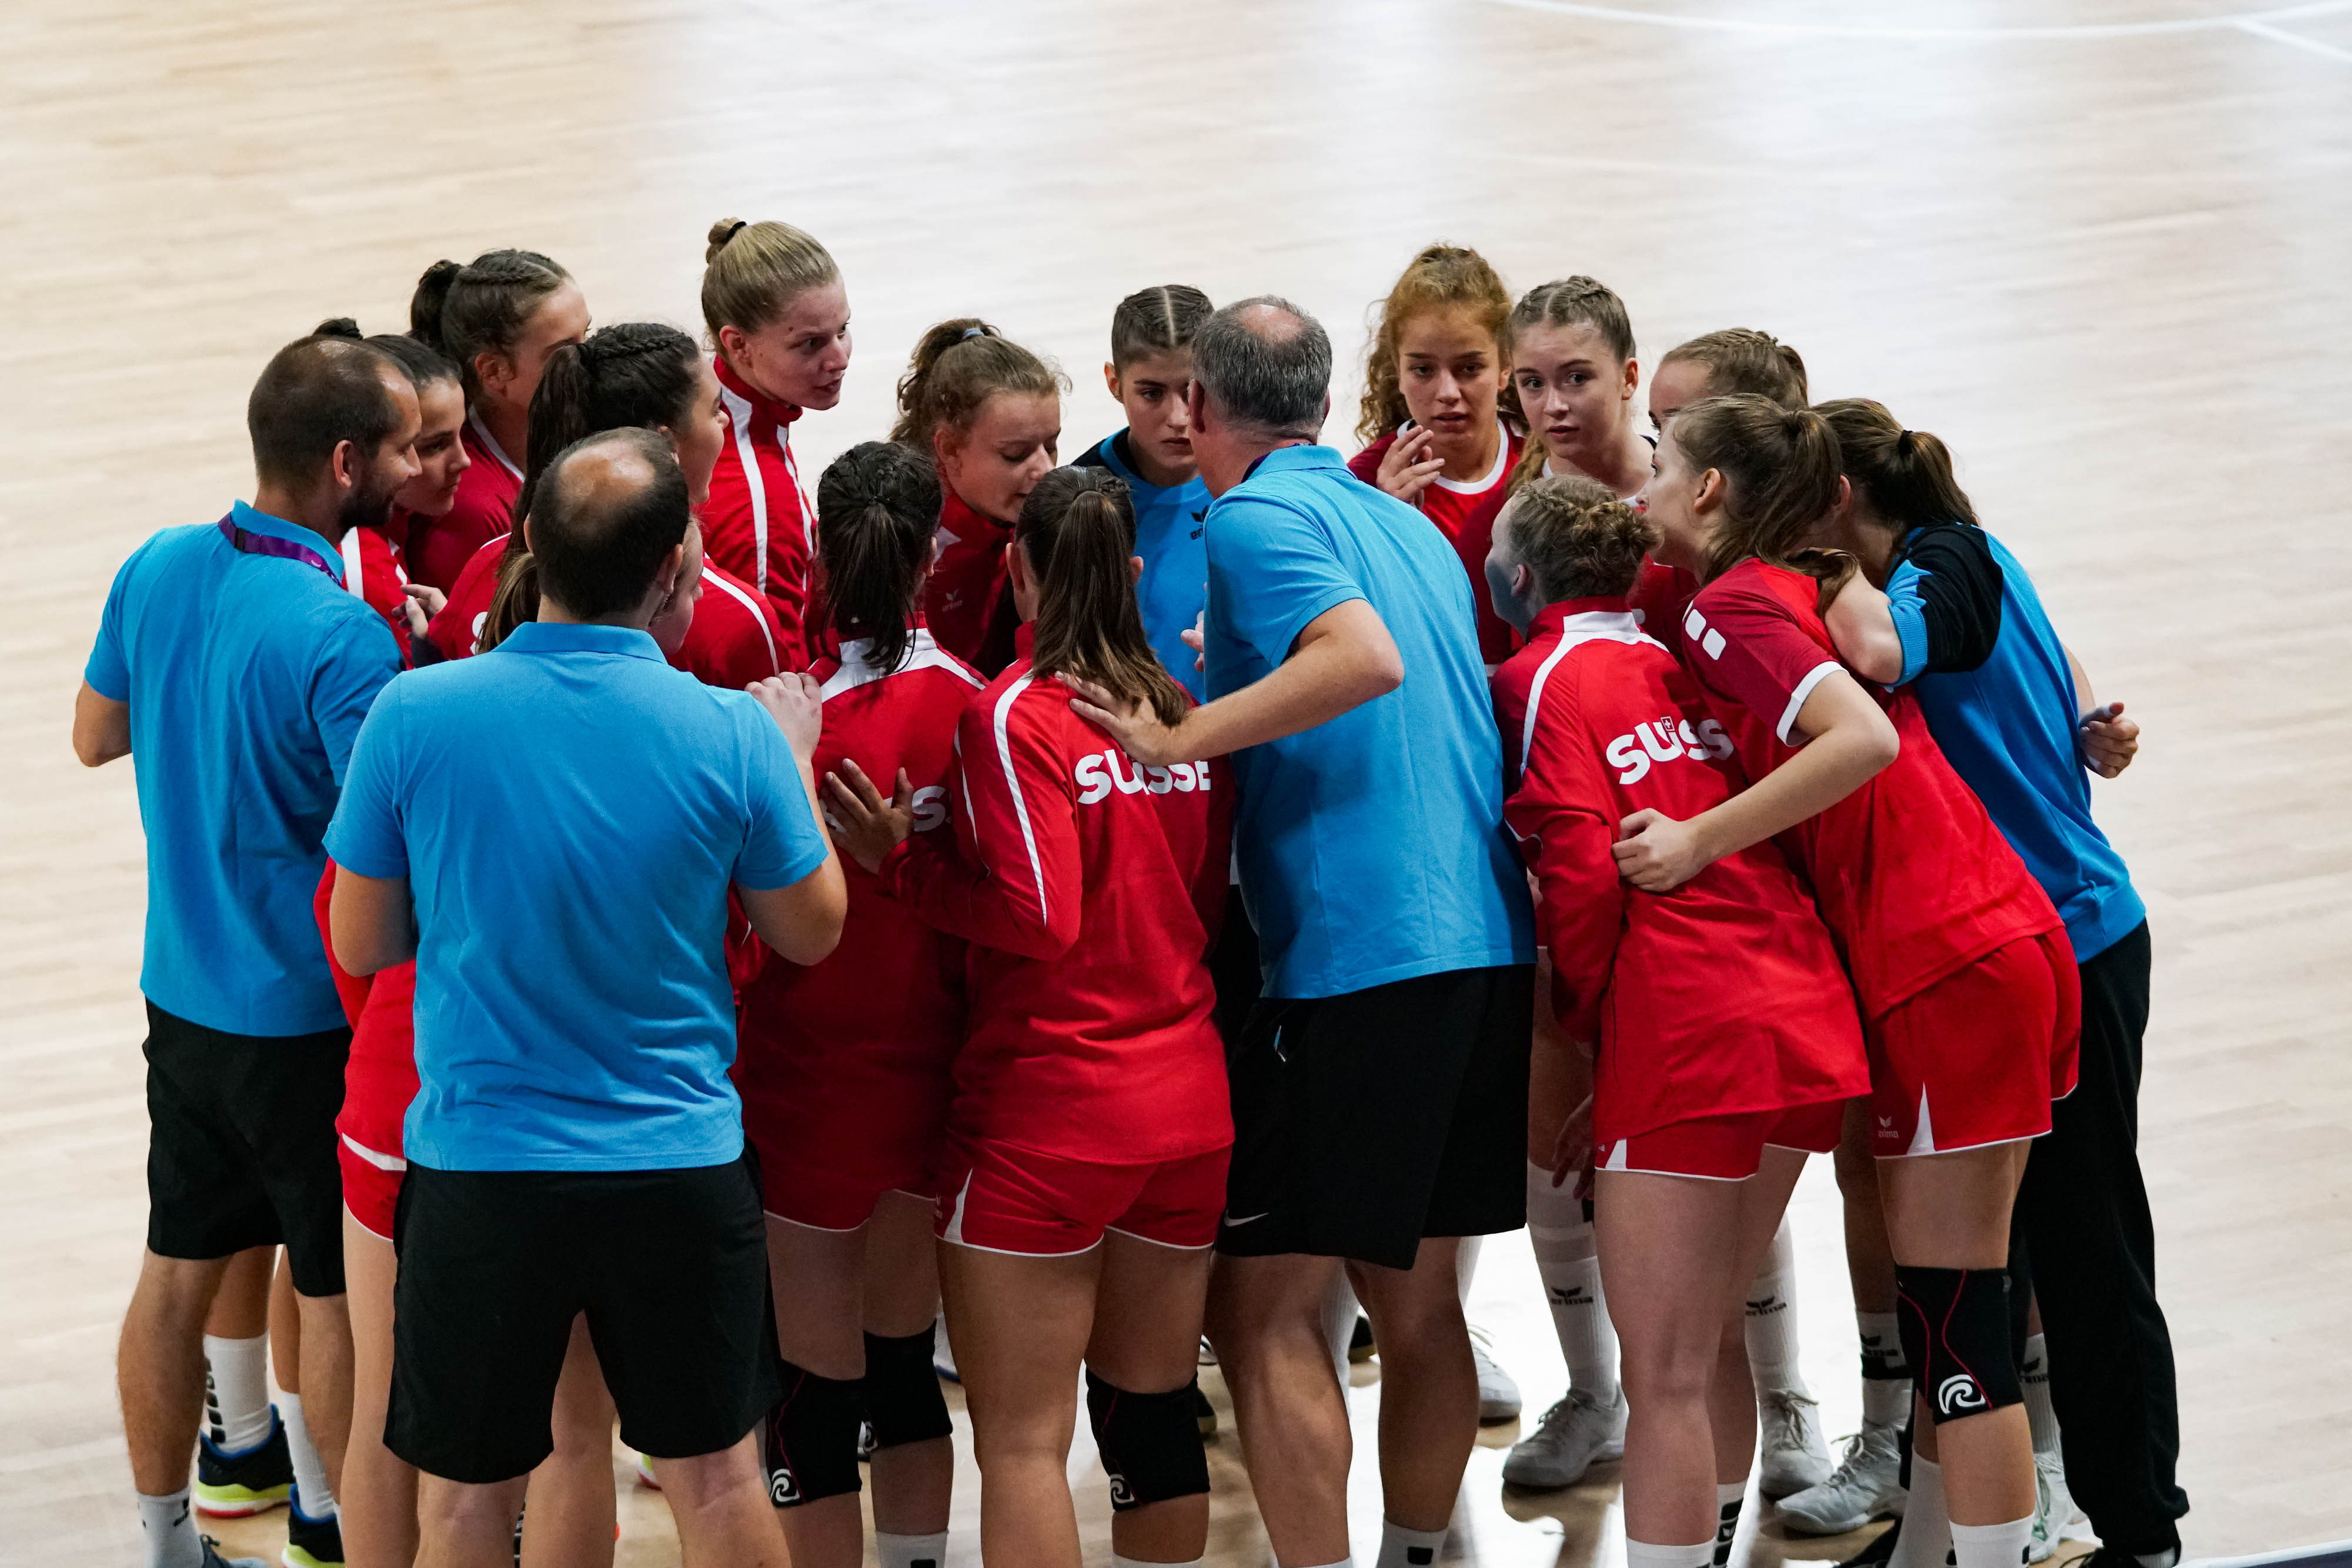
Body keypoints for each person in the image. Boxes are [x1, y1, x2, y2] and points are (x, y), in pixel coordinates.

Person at [1064, 297, 1534, 1568]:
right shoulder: (1407, 525)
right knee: (1419, 1300)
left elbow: (1361, 660)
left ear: (1204, 411)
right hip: (1487, 949)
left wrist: (1177, 732)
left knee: (1264, 1304)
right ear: (1324, 407)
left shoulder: (1255, 515)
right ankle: (1418, 1553)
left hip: (1353, 961)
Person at [323, 429, 844, 1567]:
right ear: (673, 572)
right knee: (716, 1478)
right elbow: (809, 930)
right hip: (675, 1167)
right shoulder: (730, 732)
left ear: (531, 549)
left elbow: (362, 938)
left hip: (482, 1170)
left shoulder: (416, 713)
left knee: (467, 1493)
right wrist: (791, 766)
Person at [1618, 394, 2080, 1568]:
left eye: (1662, 463)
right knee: (1953, 1312)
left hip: (1946, 958)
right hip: (1982, 946)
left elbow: (1859, 739)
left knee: (1954, 1325)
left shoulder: (1733, 603)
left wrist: (1699, 838)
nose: (1648, 485)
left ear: (1714, 489)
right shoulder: (1796, 586)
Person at [826, 466, 1231, 1568]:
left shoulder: (1014, 714)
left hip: (1053, 1115)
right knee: (1152, 1419)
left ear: (1018, 571)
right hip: (1189, 1106)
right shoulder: (1183, 710)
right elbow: (1198, 898)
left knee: (1021, 1443)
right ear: (1136, 574)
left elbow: (1040, 917)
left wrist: (900, 867)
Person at [1809, 399, 2183, 1568]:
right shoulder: (1967, 552)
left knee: (2085, 1249)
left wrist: (1809, 569)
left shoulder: (1940, 562)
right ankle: (1952, 1526)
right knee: (1978, 1268)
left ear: (1834, 503)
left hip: (2065, 944)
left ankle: (2137, 1527)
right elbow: (2055, 670)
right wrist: (2086, 717)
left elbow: (1890, 651)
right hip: (2012, 953)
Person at [76, 332, 422, 1568]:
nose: (413, 466)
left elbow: (93, 734)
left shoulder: (158, 565)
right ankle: (335, 1534)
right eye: (399, 447)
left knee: (178, 1268)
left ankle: (172, 1543)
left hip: (183, 997)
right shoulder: (342, 636)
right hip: (309, 1024)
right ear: (344, 462)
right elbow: (398, 839)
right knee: (328, 1294)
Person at [1485, 475, 1870, 1568]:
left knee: (1659, 1376)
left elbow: (1579, 878)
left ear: (1518, 578)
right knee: (1702, 1355)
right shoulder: (1675, 658)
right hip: (1802, 1013)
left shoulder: (1534, 678)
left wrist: (1596, 1036)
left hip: (1690, 1029)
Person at [732, 441, 975, 1568]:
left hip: (803, 1088)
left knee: (812, 1391)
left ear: (822, 557)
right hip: (933, 1084)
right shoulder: (983, 711)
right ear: (937, 553)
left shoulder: (776, 728)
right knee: (904, 1371)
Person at [427, 321, 783, 692]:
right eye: (713, 410)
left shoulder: (488, 563)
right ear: (664, 447)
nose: (725, 420)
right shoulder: (734, 623)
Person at [1350, 243, 1526, 670]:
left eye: (1469, 368)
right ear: (1398, 369)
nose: (1447, 393)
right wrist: (1383, 532)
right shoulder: (1362, 483)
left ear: (1506, 366)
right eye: (1424, 370)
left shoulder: (1543, 459)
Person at [700, 217, 853, 654]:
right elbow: (776, 674)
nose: (838, 358)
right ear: (737, 343)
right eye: (810, 344)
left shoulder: (703, 393)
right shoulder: (763, 505)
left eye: (842, 330)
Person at [402, 250, 589, 591]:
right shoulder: (469, 509)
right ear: (495, 372)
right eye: (566, 352)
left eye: (586, 337)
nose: (590, 360)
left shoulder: (568, 424)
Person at [894, 319, 1065, 676]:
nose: (1045, 470)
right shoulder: (898, 541)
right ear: (950, 449)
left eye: (1050, 446)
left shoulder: (1045, 515)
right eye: (1016, 454)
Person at [1073, 283, 1217, 700]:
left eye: (1193, 390)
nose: (1178, 417)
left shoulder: (1257, 472)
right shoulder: (1077, 500)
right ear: (1114, 383)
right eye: (1151, 393)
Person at [309, 320, 470, 660]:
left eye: (461, 435)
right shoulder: (365, 573)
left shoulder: (397, 527)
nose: (465, 461)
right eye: (435, 446)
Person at [1507, 277, 1652, 502]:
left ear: (1628, 378)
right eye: (1534, 383)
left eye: (1576, 378)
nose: (1554, 407)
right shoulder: (1497, 520)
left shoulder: (1698, 499)